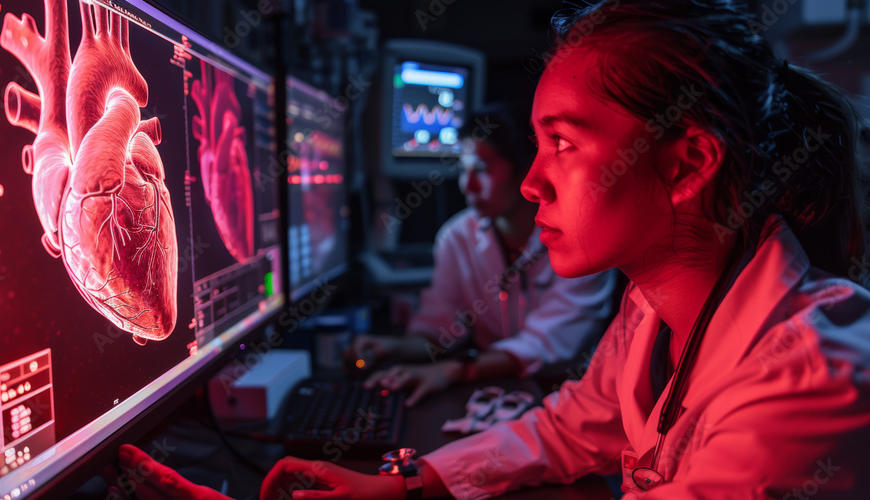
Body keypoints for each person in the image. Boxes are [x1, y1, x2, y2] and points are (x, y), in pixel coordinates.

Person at [120, 1, 870, 498]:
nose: (535, 182)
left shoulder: (806, 381)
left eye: (564, 145)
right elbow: (572, 423)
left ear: (685, 165)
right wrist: (406, 485)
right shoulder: (655, 301)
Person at [349, 103, 617, 407]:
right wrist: (389, 348)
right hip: (494, 393)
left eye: (482, 169)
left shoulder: (582, 237)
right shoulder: (457, 236)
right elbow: (439, 330)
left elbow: (547, 344)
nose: (467, 185)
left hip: (567, 396)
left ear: (525, 168)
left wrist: (454, 370)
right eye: (463, 170)